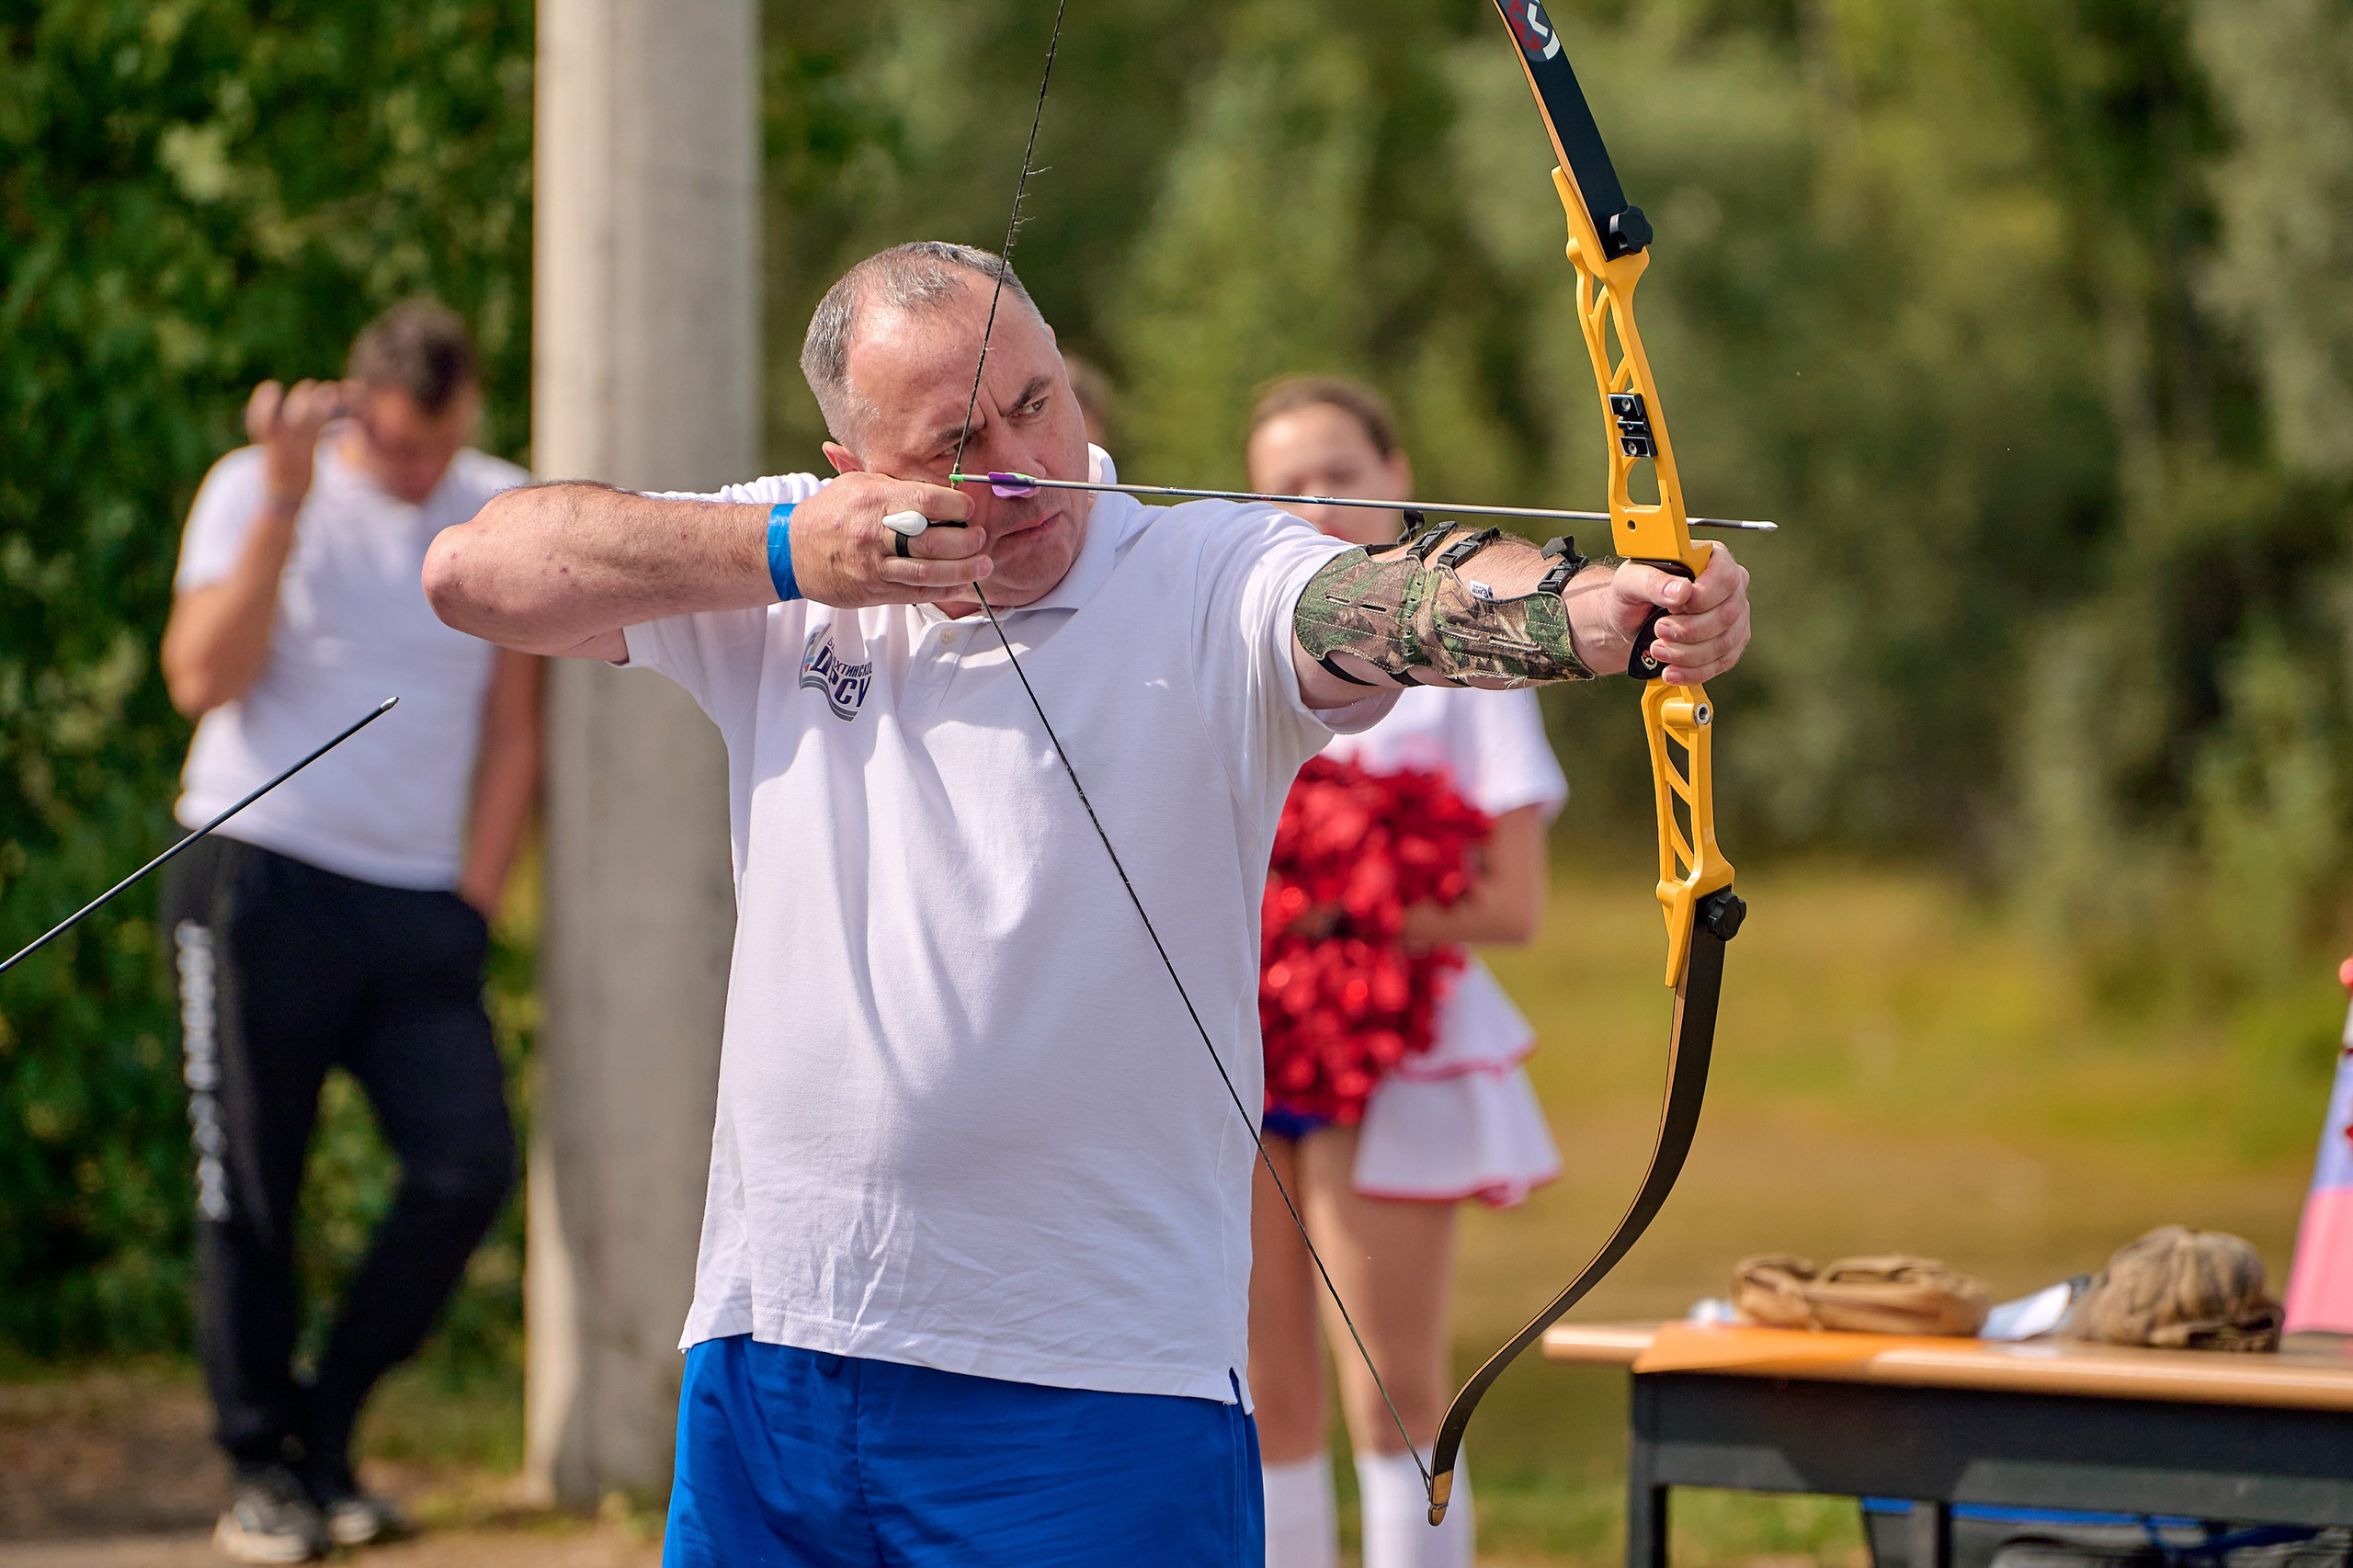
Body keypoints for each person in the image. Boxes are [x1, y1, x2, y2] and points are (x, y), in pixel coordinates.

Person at [422, 240, 1751, 1568]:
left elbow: (1389, 601)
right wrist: (782, 550)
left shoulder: (1206, 573)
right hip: (779, 1350)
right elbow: (474, 572)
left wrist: (1596, 609)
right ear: (855, 469)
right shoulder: (794, 574)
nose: (1023, 465)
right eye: (958, 443)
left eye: (1036, 402)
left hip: (1094, 1388)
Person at [158, 301, 540, 1562]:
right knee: (251, 1188)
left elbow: (516, 726)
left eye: (442, 444)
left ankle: (324, 1436)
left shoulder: (499, 504)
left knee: (467, 1165)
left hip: (419, 904)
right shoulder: (257, 485)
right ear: (351, 409)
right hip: (257, 873)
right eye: (397, 447)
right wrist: (283, 499)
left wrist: (476, 897)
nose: (420, 471)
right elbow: (201, 677)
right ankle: (257, 1466)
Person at [1244, 377, 1568, 1568]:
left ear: (1398, 478)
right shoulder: (1242, 648)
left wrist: (1337, 907)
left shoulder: (1468, 657)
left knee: (1394, 1389)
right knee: (1263, 1392)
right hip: (1250, 1037)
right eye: (1285, 486)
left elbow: (1512, 901)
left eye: (1341, 473)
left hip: (1396, 1044)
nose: (1318, 501)